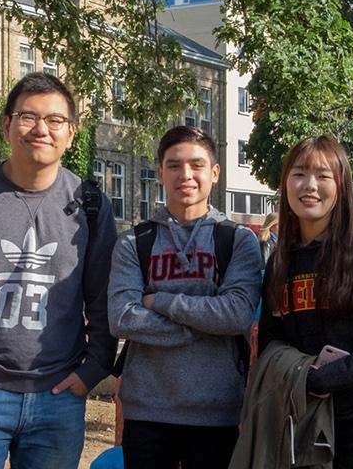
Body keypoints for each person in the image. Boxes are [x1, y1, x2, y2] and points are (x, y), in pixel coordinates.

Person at [0, 72, 118, 469]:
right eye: (28, 117)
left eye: (54, 120)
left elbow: (104, 297)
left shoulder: (90, 204)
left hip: (60, 395)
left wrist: (93, 369)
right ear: (7, 126)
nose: (41, 129)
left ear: (71, 133)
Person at [109, 125, 262, 469]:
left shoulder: (237, 240)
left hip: (216, 413)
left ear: (215, 172)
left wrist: (158, 301)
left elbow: (237, 315)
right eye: (174, 165)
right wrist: (201, 326)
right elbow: (122, 317)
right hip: (146, 410)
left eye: (197, 165)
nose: (186, 175)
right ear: (160, 172)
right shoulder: (134, 243)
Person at [254, 136, 353, 468]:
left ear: (341, 185)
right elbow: (270, 338)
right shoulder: (280, 261)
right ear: (286, 183)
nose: (310, 186)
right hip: (299, 418)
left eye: (323, 176)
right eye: (299, 174)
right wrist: (298, 377)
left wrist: (325, 378)